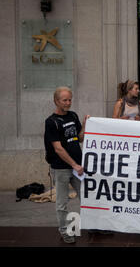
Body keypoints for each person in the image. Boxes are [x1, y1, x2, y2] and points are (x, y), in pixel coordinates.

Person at [44, 87, 88, 244]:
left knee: (87, 196)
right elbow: (58, 148)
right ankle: (65, 231)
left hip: (77, 166)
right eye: (65, 100)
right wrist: (74, 165)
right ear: (56, 101)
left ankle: (94, 225)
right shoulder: (51, 122)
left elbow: (79, 138)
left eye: (70, 99)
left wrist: (84, 125)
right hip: (61, 168)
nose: (68, 103)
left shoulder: (73, 115)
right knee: (62, 203)